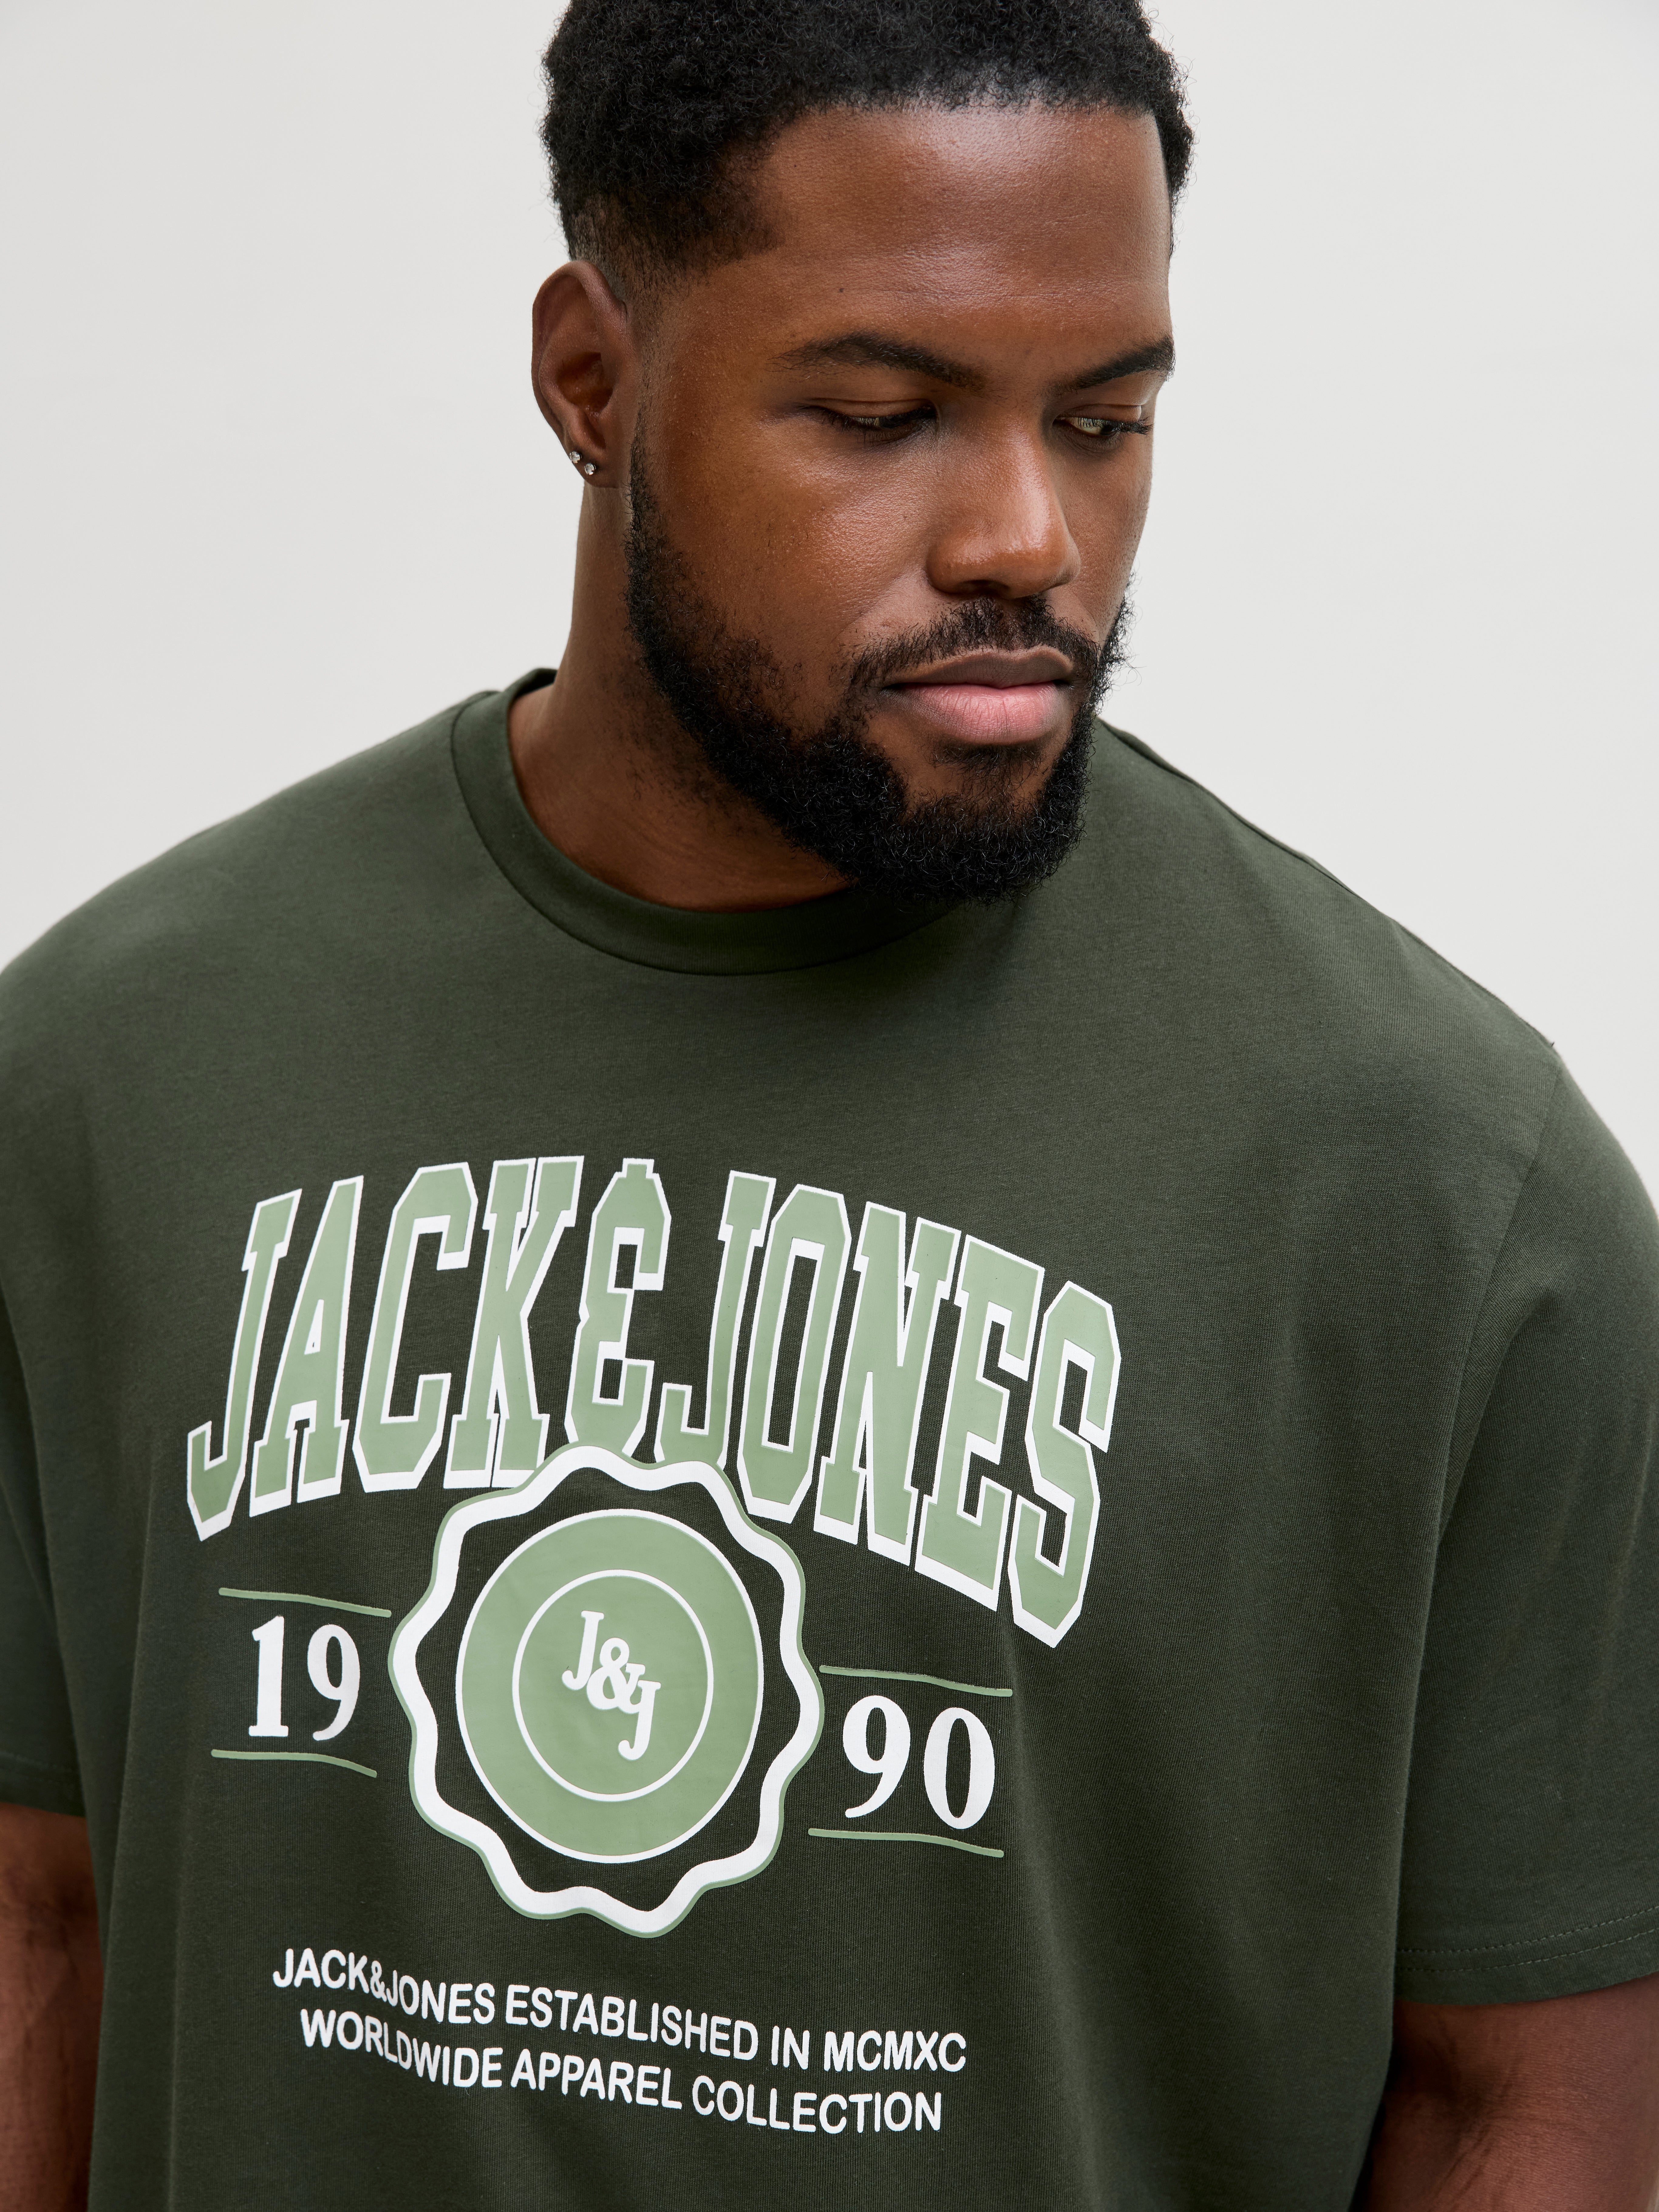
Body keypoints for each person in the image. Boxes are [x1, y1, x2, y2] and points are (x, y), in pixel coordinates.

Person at [3, 0, 1658, 2204]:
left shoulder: (1447, 1194)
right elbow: (38, 1925)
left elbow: (1531, 2102)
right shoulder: (110, 1076)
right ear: (592, 379)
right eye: (882, 416)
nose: (1026, 537)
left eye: (1105, 419)